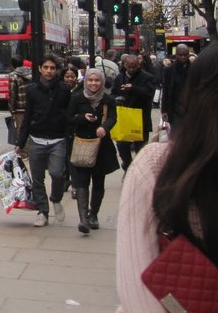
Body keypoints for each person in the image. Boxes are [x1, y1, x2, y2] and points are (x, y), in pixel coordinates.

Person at [116, 42, 218, 313]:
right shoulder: (157, 166)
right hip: (171, 120)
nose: (130, 66)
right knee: (128, 156)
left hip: (147, 121)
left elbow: (150, 92)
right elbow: (136, 288)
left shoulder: (149, 76)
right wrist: (167, 114)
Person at [16, 54, 71, 228]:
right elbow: (27, 117)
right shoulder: (32, 90)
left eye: (52, 68)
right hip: (37, 139)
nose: (49, 71)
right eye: (46, 67)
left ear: (56, 71)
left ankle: (56, 198)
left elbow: (69, 114)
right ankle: (43, 211)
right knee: (37, 179)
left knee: (57, 173)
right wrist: (20, 141)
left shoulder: (64, 90)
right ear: (40, 69)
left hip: (58, 139)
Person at [67, 69, 119, 235]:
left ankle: (93, 215)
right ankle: (83, 219)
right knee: (81, 182)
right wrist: (83, 118)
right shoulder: (77, 98)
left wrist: (104, 128)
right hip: (82, 144)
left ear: (102, 82)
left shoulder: (108, 99)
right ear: (86, 81)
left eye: (97, 80)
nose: (93, 83)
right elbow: (68, 118)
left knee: (98, 181)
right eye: (90, 80)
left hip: (101, 147)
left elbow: (113, 117)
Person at [111, 54, 155, 173]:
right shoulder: (120, 77)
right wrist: (116, 99)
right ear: (124, 65)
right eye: (129, 67)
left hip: (140, 117)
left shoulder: (147, 77)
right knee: (121, 145)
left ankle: (139, 171)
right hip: (124, 116)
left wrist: (133, 88)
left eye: (134, 67)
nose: (131, 70)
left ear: (138, 65)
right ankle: (128, 166)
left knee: (140, 148)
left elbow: (149, 93)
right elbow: (113, 93)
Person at [159, 43, 192, 133]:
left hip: (191, 109)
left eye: (185, 55)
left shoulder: (194, 69)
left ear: (188, 54)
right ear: (176, 55)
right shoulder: (169, 70)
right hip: (174, 109)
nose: (183, 57)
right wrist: (164, 110)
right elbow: (165, 90)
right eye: (180, 55)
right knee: (176, 136)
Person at [8, 57, 33, 155]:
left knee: (20, 129)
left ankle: (23, 151)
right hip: (31, 106)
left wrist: (12, 108)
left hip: (19, 107)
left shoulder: (13, 75)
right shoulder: (31, 73)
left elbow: (12, 93)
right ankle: (30, 150)